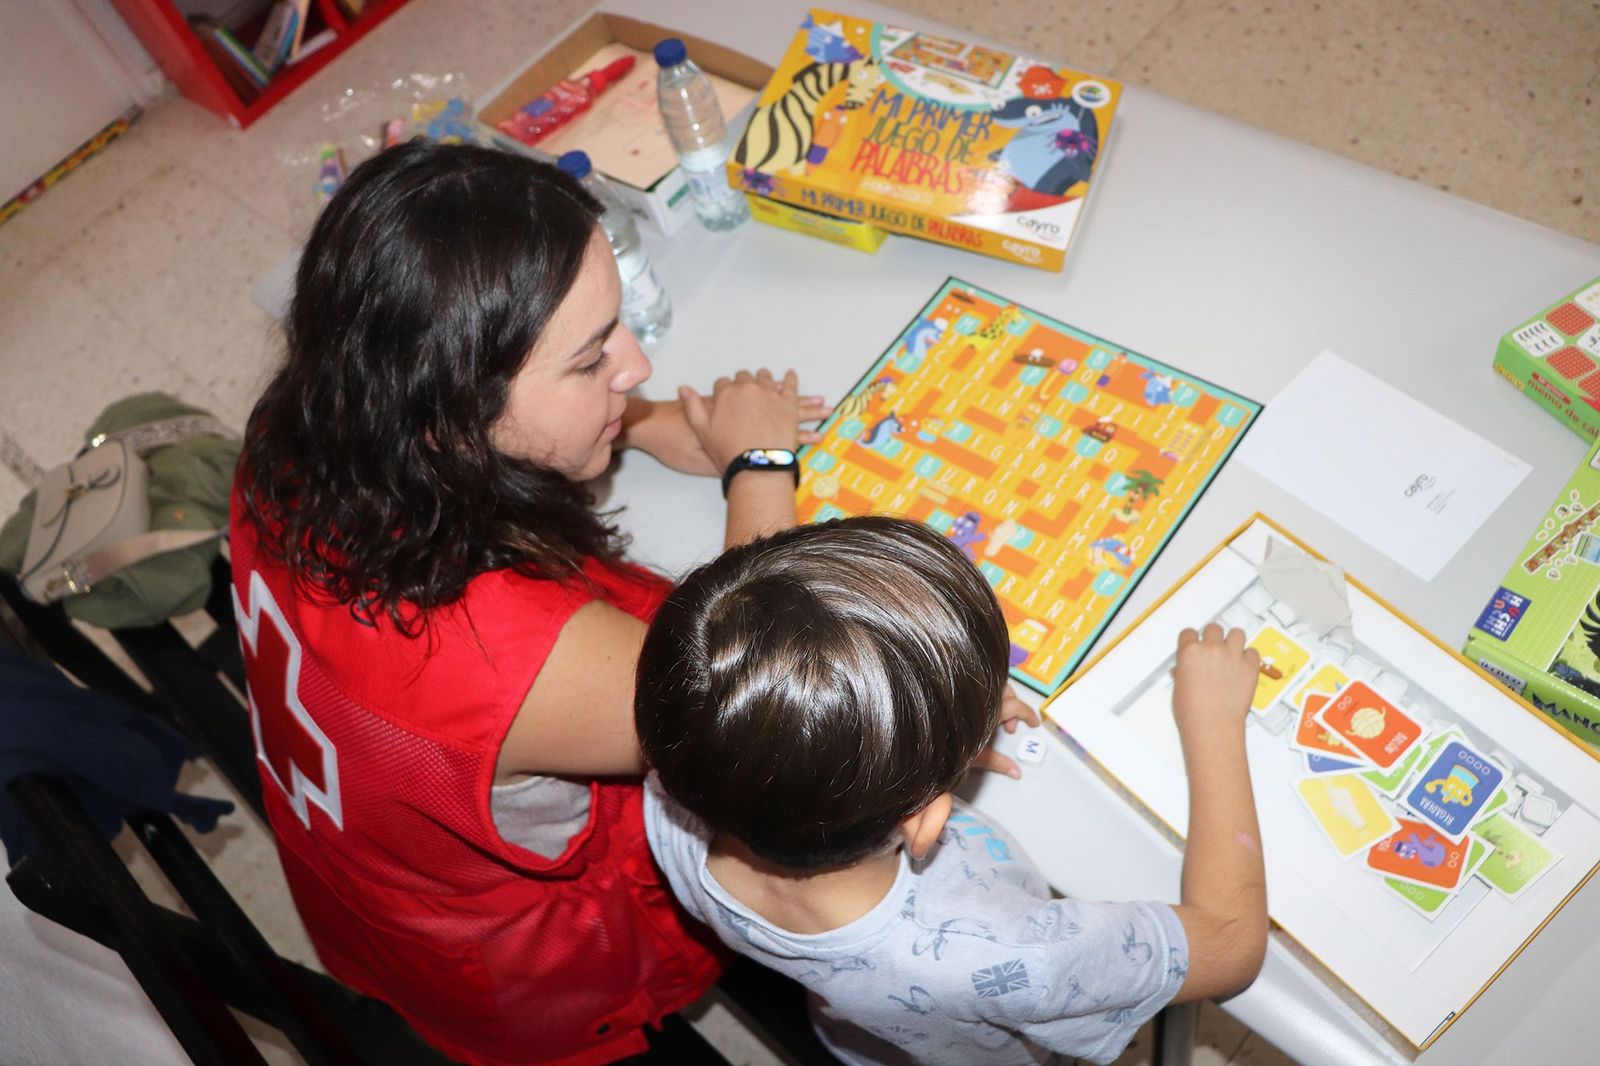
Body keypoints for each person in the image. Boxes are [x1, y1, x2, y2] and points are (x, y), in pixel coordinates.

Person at [229, 140, 828, 1065]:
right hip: (526, 982)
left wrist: (645, 426)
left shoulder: (304, 423)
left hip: (367, 893)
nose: (635, 365)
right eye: (592, 360)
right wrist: (760, 467)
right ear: (453, 422)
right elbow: (753, 696)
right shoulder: (504, 665)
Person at [636, 517, 1269, 1065]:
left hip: (863, 1036)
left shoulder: (676, 795)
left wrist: (917, 728)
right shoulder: (1022, 955)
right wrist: (1213, 725)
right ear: (924, 820)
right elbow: (1234, 943)